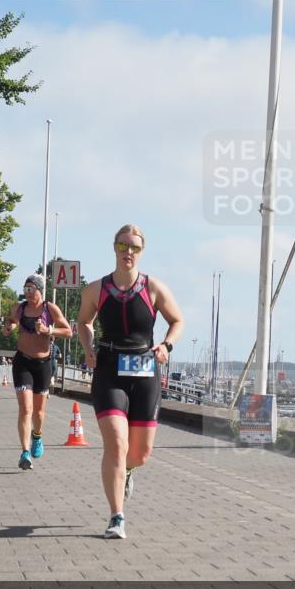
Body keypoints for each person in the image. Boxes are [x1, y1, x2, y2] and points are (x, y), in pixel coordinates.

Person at [76, 224, 184, 539]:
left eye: (134, 247)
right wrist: (88, 348)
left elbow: (177, 320)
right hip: (109, 369)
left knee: (139, 454)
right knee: (116, 442)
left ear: (141, 251)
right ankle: (116, 516)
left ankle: (128, 471)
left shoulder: (154, 288)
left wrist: (166, 346)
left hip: (145, 370)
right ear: (115, 247)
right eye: (123, 246)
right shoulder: (96, 289)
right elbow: (83, 322)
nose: (128, 252)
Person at [2, 274, 73, 469]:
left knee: (39, 413)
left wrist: (49, 330)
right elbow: (11, 322)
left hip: (43, 364)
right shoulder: (19, 308)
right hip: (23, 362)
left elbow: (68, 331)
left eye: (31, 289)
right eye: (25, 289)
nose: (27, 293)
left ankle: (37, 436)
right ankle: (25, 453)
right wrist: (8, 328)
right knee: (26, 408)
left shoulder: (50, 309)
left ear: (40, 290)